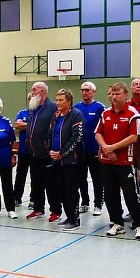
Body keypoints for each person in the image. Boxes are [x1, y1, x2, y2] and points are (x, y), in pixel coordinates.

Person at [95, 82, 140, 239]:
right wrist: (106, 148)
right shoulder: (105, 114)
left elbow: (134, 137)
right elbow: (98, 134)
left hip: (125, 163)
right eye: (112, 93)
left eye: (117, 94)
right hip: (106, 162)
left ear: (126, 95)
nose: (114, 96)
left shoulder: (133, 114)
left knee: (131, 195)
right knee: (110, 194)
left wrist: (113, 148)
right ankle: (116, 223)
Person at [49, 89, 85, 231]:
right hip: (57, 161)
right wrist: (51, 151)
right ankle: (69, 216)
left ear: (69, 101)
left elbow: (76, 138)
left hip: (71, 161)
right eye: (57, 100)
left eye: (61, 100)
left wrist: (62, 153)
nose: (58, 103)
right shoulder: (56, 115)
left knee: (71, 190)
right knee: (61, 189)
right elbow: (51, 134)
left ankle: (75, 220)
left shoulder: (76, 115)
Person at [25, 82, 60, 221]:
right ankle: (38, 209)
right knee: (36, 183)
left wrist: (49, 146)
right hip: (33, 153)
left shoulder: (52, 107)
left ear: (43, 91)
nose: (32, 92)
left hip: (47, 154)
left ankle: (56, 210)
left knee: (51, 184)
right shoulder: (33, 108)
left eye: (34, 90)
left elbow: (55, 129)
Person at [75, 81, 106, 216]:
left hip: (95, 150)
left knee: (97, 178)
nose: (84, 92)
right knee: (81, 177)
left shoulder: (100, 107)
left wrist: (103, 147)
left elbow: (105, 128)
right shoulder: (76, 107)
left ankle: (98, 203)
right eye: (82, 90)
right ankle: (85, 202)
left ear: (93, 92)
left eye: (87, 90)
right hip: (80, 150)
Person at [13, 93, 32, 207]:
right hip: (23, 151)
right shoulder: (22, 112)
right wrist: (31, 124)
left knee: (35, 176)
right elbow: (17, 125)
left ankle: (33, 199)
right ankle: (16, 197)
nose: (31, 100)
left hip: (35, 151)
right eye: (29, 98)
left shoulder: (39, 114)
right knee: (20, 174)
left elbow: (41, 125)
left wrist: (24, 125)